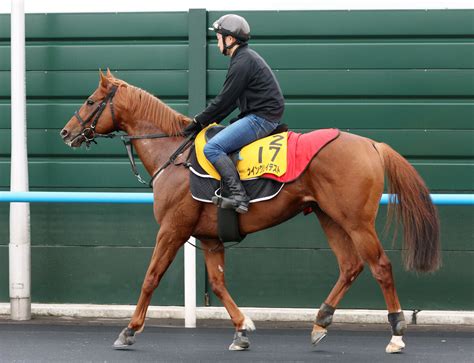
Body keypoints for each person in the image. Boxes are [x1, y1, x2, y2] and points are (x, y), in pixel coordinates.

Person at [183, 14, 285, 214]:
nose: (217, 41)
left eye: (219, 37)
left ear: (229, 39)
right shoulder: (244, 58)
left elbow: (224, 100)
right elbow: (230, 103)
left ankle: (239, 197)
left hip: (261, 119)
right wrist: (208, 122)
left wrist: (198, 121)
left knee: (212, 149)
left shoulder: (242, 62)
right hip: (261, 115)